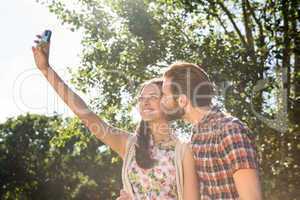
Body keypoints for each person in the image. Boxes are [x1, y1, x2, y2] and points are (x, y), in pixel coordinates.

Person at [31, 35, 199, 200]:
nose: (145, 102)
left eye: (153, 96)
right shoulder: (131, 145)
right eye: (141, 98)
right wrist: (46, 69)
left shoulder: (184, 152)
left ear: (169, 103)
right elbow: (85, 113)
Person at [160, 62, 262, 200]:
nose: (162, 101)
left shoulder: (230, 131)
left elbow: (252, 198)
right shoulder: (196, 136)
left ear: (182, 101)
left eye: (165, 95)